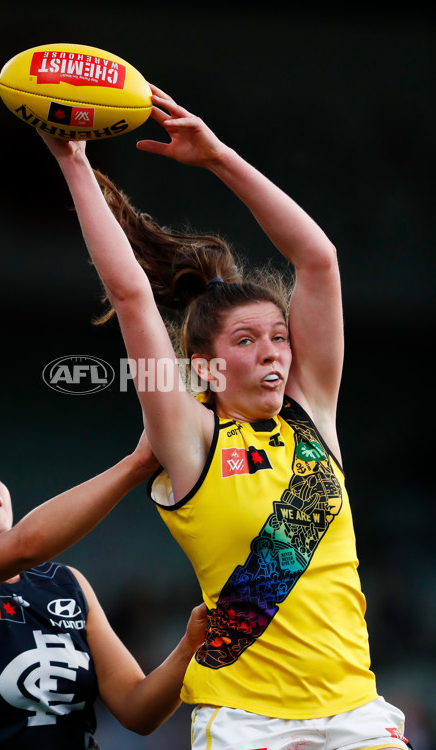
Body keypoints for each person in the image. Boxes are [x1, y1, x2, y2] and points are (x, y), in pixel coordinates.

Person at [38, 84, 411, 750]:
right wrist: (73, 160)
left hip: (357, 716)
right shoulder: (189, 440)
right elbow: (130, 297)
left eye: (278, 335)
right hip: (243, 723)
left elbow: (318, 259)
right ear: (207, 368)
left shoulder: (311, 415)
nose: (272, 351)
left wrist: (218, 157)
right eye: (247, 341)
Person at [0, 430, 206, 749]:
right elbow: (26, 544)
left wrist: (191, 645)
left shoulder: (67, 583)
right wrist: (137, 465)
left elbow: (138, 710)